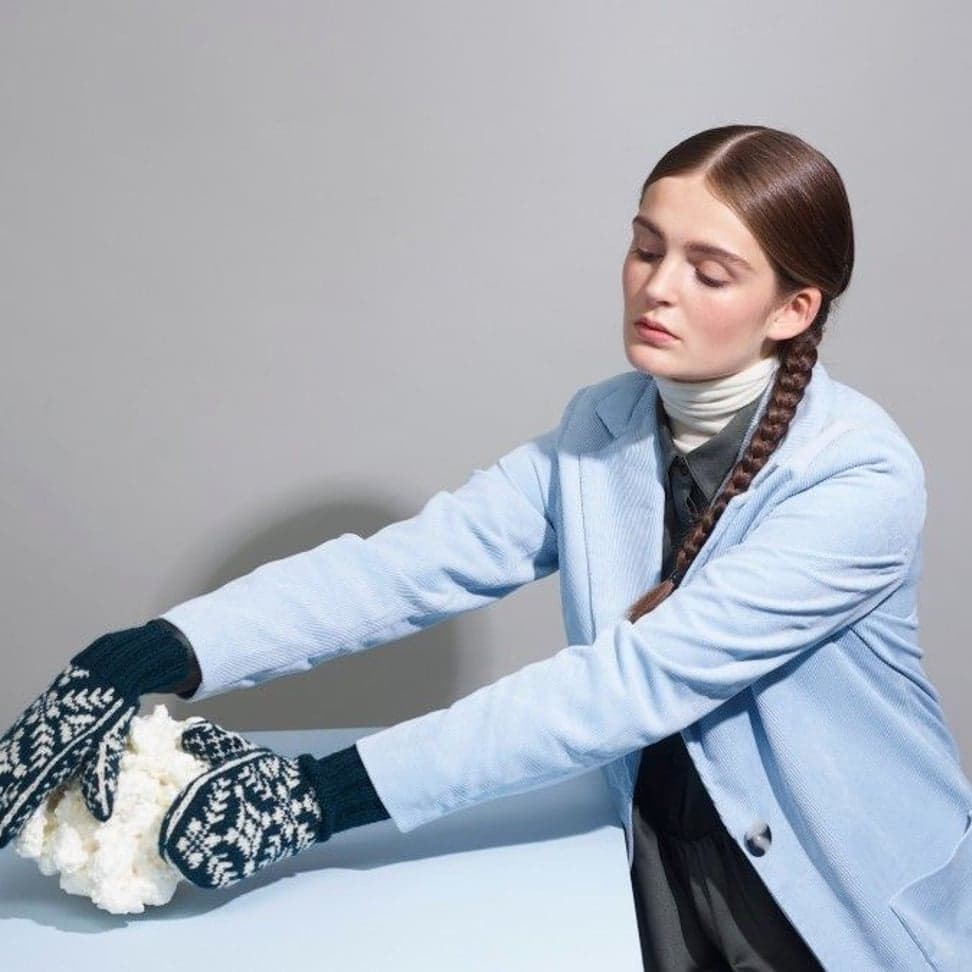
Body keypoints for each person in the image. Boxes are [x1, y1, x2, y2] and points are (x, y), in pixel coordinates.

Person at [2, 124, 969, 969]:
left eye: (708, 273)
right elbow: (406, 568)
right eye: (645, 248)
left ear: (793, 310)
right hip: (652, 865)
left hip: (837, 887)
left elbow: (628, 685)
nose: (657, 287)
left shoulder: (859, 479)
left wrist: (319, 795)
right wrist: (154, 652)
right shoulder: (601, 425)